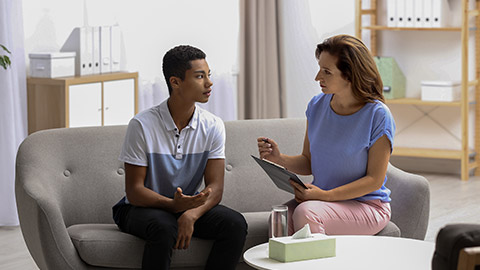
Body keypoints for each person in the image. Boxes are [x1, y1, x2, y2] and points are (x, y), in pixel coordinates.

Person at [113, 45, 247, 270]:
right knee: (164, 227)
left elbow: (216, 188)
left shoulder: (213, 126)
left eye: (209, 75)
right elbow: (134, 191)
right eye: (199, 76)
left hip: (186, 205)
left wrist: (191, 214)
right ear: (175, 82)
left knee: (235, 224)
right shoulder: (142, 125)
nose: (209, 83)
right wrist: (173, 206)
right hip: (139, 208)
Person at [257, 34, 395, 236]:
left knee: (307, 212)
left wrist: (326, 196)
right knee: (279, 217)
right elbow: (308, 161)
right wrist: (279, 159)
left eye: (327, 72)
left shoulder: (378, 115)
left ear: (350, 75)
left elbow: (374, 179)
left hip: (366, 205)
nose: (317, 77)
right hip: (322, 200)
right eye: (320, 68)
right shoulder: (317, 105)